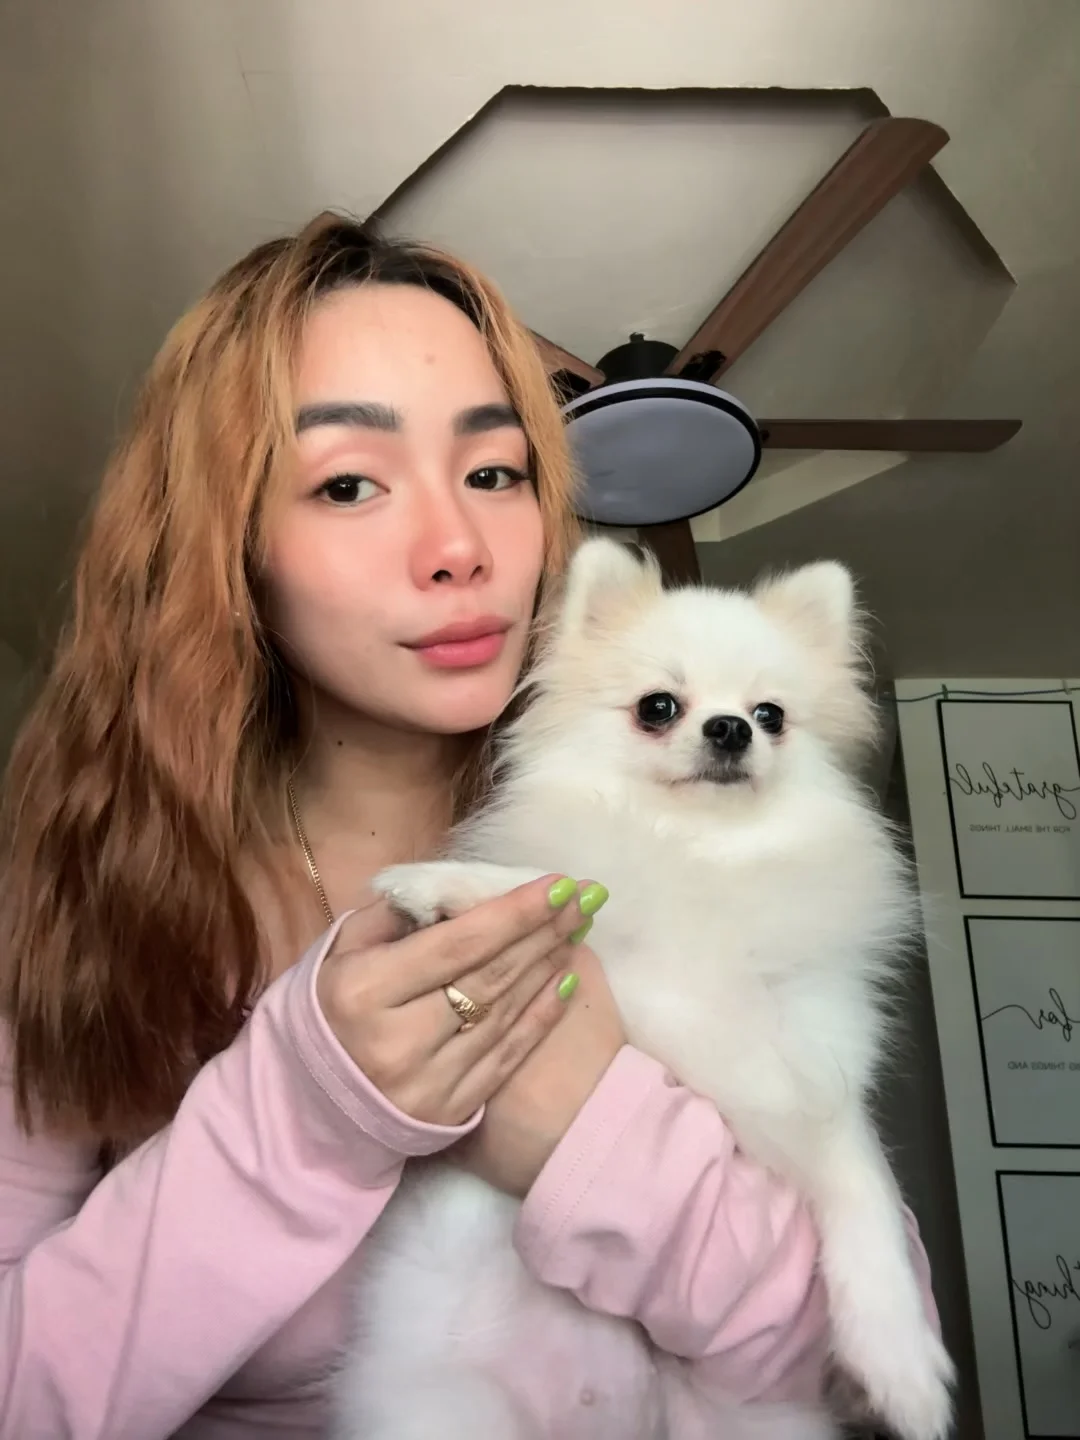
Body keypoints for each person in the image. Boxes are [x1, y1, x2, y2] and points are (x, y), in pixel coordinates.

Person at [0, 213, 937, 1439]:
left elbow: (870, 1372)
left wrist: (590, 1129)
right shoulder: (69, 905)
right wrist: (306, 1113)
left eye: (496, 473)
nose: (457, 549)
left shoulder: (698, 848)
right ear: (227, 546)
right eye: (348, 482)